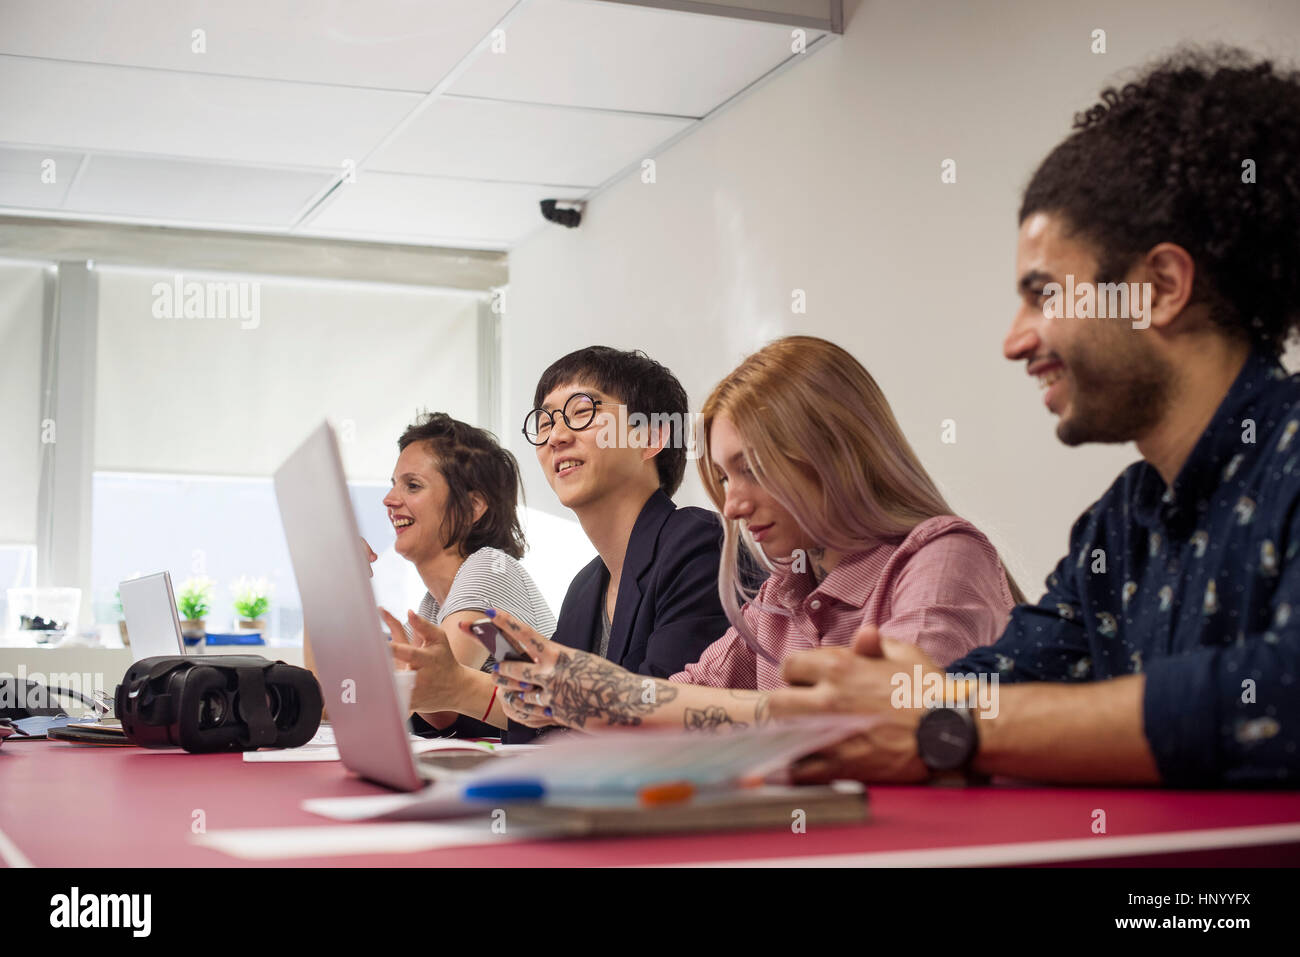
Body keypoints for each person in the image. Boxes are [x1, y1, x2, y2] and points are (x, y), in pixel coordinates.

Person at [767, 47, 1300, 788]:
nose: (1014, 340)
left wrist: (938, 721)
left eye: (1044, 294)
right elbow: (1006, 686)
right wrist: (897, 697)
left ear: (1160, 287)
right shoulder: (1120, 524)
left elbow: (1278, 693)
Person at [483, 336, 1022, 732]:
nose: (733, 505)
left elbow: (895, 724)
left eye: (753, 469)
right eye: (722, 477)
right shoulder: (780, 592)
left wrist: (612, 698)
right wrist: (584, 694)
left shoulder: (943, 557)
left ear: (834, 453)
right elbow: (686, 695)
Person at [393, 347, 736, 742]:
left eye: (581, 412)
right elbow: (546, 719)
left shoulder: (697, 544)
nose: (556, 436)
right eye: (544, 421)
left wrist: (462, 688)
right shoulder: (585, 588)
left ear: (651, 437)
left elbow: (658, 717)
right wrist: (446, 704)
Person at [307, 412, 556, 736]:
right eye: (393, 484)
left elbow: (426, 708)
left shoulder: (490, 569)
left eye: (412, 485)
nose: (389, 500)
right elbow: (331, 705)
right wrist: (324, 588)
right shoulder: (434, 607)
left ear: (472, 507)